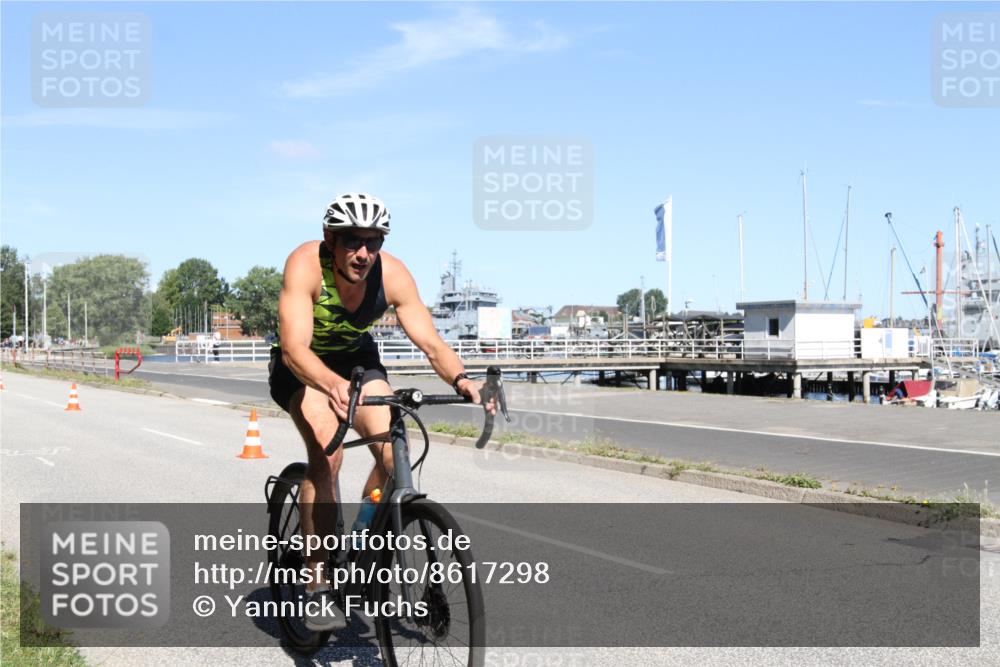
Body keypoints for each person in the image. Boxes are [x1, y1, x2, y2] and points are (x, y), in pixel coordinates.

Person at [268, 192, 492, 631]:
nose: (364, 253)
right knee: (328, 456)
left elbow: (431, 342)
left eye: (375, 242)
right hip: (303, 368)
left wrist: (464, 382)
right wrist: (329, 383)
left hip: (356, 363)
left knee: (395, 454)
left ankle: (362, 539)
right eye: (353, 241)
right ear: (330, 239)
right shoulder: (305, 265)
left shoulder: (393, 276)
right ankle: (317, 583)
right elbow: (295, 349)